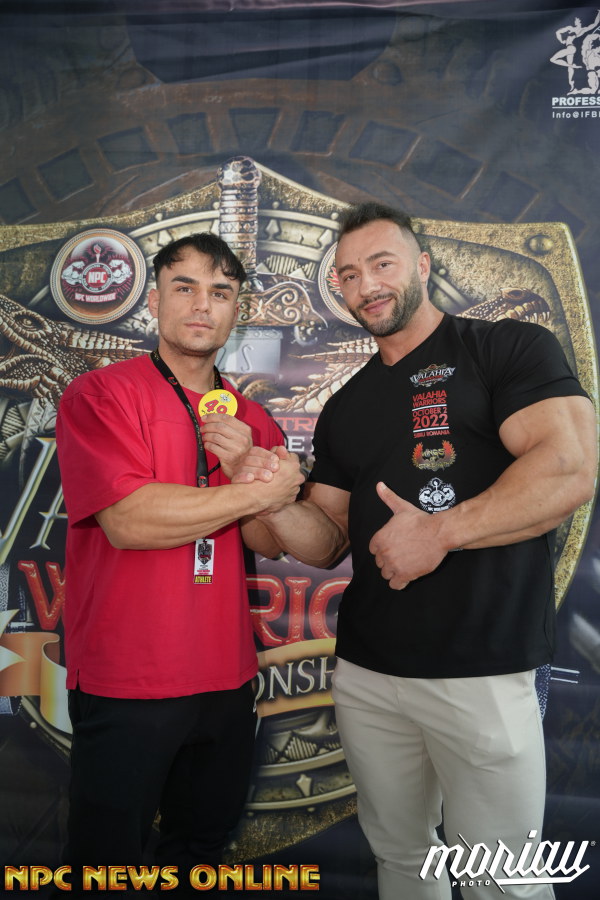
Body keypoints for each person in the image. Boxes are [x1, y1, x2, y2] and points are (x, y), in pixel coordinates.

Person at [239, 203, 598, 899]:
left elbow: (568, 470)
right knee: (402, 858)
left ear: (422, 265)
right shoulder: (347, 405)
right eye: (349, 274)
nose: (366, 284)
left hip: (482, 668)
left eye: (382, 264)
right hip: (369, 673)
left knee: (504, 880)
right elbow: (326, 542)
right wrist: (276, 498)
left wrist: (439, 532)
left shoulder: (505, 348)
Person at [56, 233, 303, 893]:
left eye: (220, 292)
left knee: (200, 850)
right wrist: (258, 490)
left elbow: (269, 540)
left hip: (225, 679)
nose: (202, 305)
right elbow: (129, 521)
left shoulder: (251, 419)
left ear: (236, 309)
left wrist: (251, 473)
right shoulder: (100, 394)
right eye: (184, 287)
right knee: (107, 863)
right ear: (154, 301)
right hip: (127, 678)